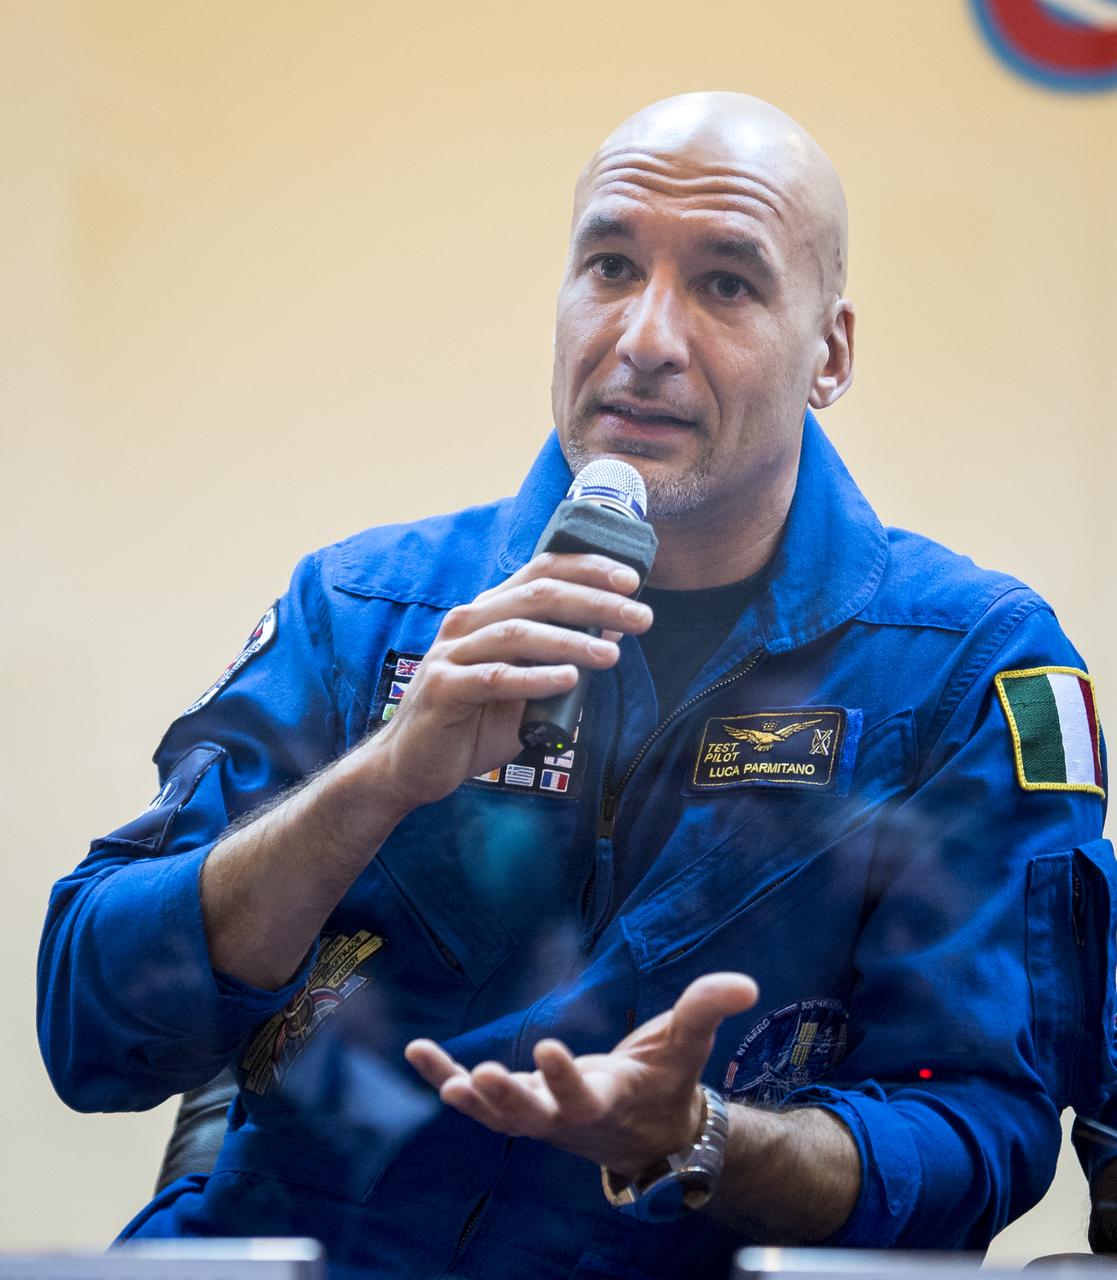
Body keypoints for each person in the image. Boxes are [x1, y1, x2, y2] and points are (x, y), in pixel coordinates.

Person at [38, 92, 1113, 1278]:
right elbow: (92, 1027)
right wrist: (378, 779)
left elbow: (983, 1127)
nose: (646, 336)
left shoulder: (967, 664)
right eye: (609, 264)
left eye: (726, 284)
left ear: (832, 353)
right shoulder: (362, 607)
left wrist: (703, 1136)